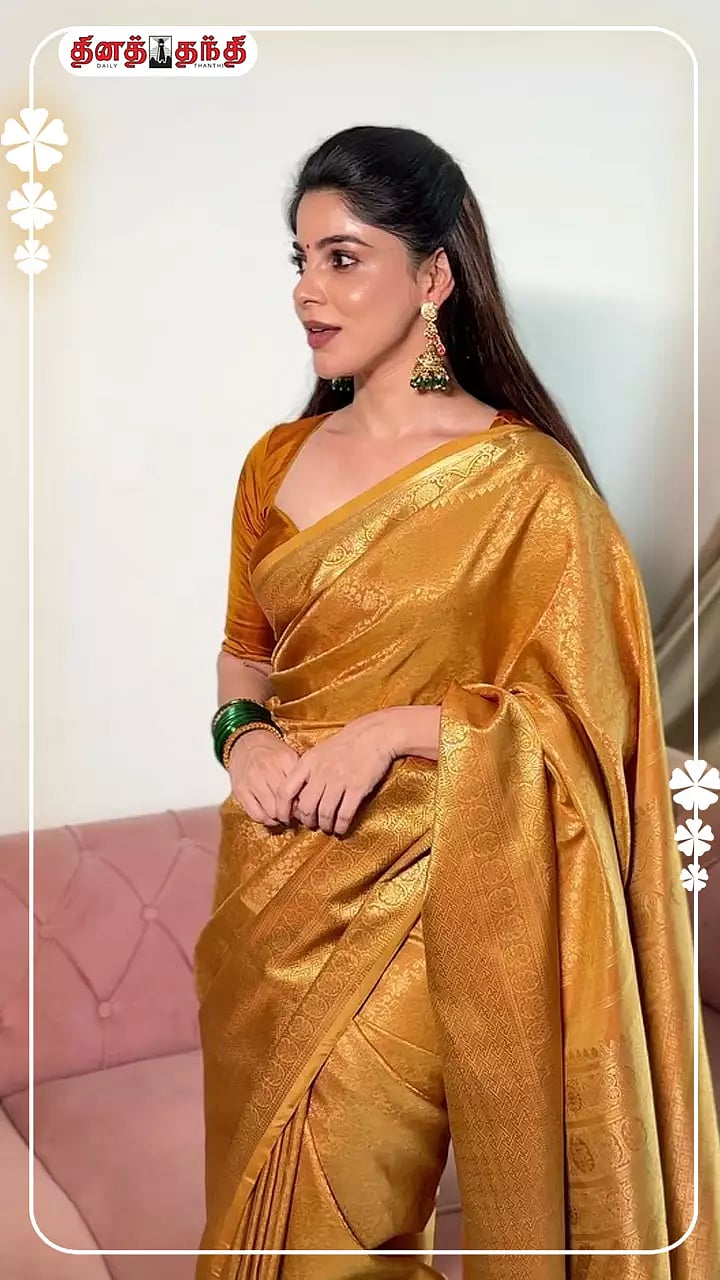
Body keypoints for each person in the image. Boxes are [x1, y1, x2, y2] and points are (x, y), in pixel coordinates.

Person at [194, 125, 720, 1279]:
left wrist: (395, 731)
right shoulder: (273, 462)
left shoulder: (527, 482)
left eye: (343, 257)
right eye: (299, 259)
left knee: (336, 1234)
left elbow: (595, 729)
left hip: (425, 900)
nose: (307, 291)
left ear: (432, 275)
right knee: (249, 1214)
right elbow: (243, 653)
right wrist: (246, 739)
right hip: (267, 893)